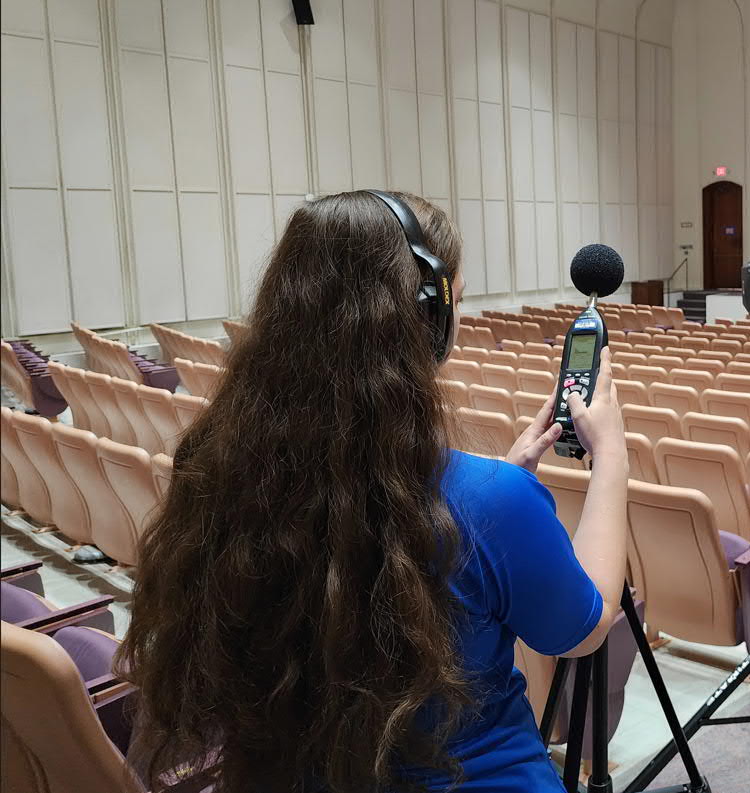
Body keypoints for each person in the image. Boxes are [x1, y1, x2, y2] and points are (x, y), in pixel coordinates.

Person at [118, 191, 629, 793]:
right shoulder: (493, 502)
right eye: (456, 301)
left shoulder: (216, 473)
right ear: (428, 317)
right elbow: (584, 629)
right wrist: (612, 457)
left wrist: (508, 474)